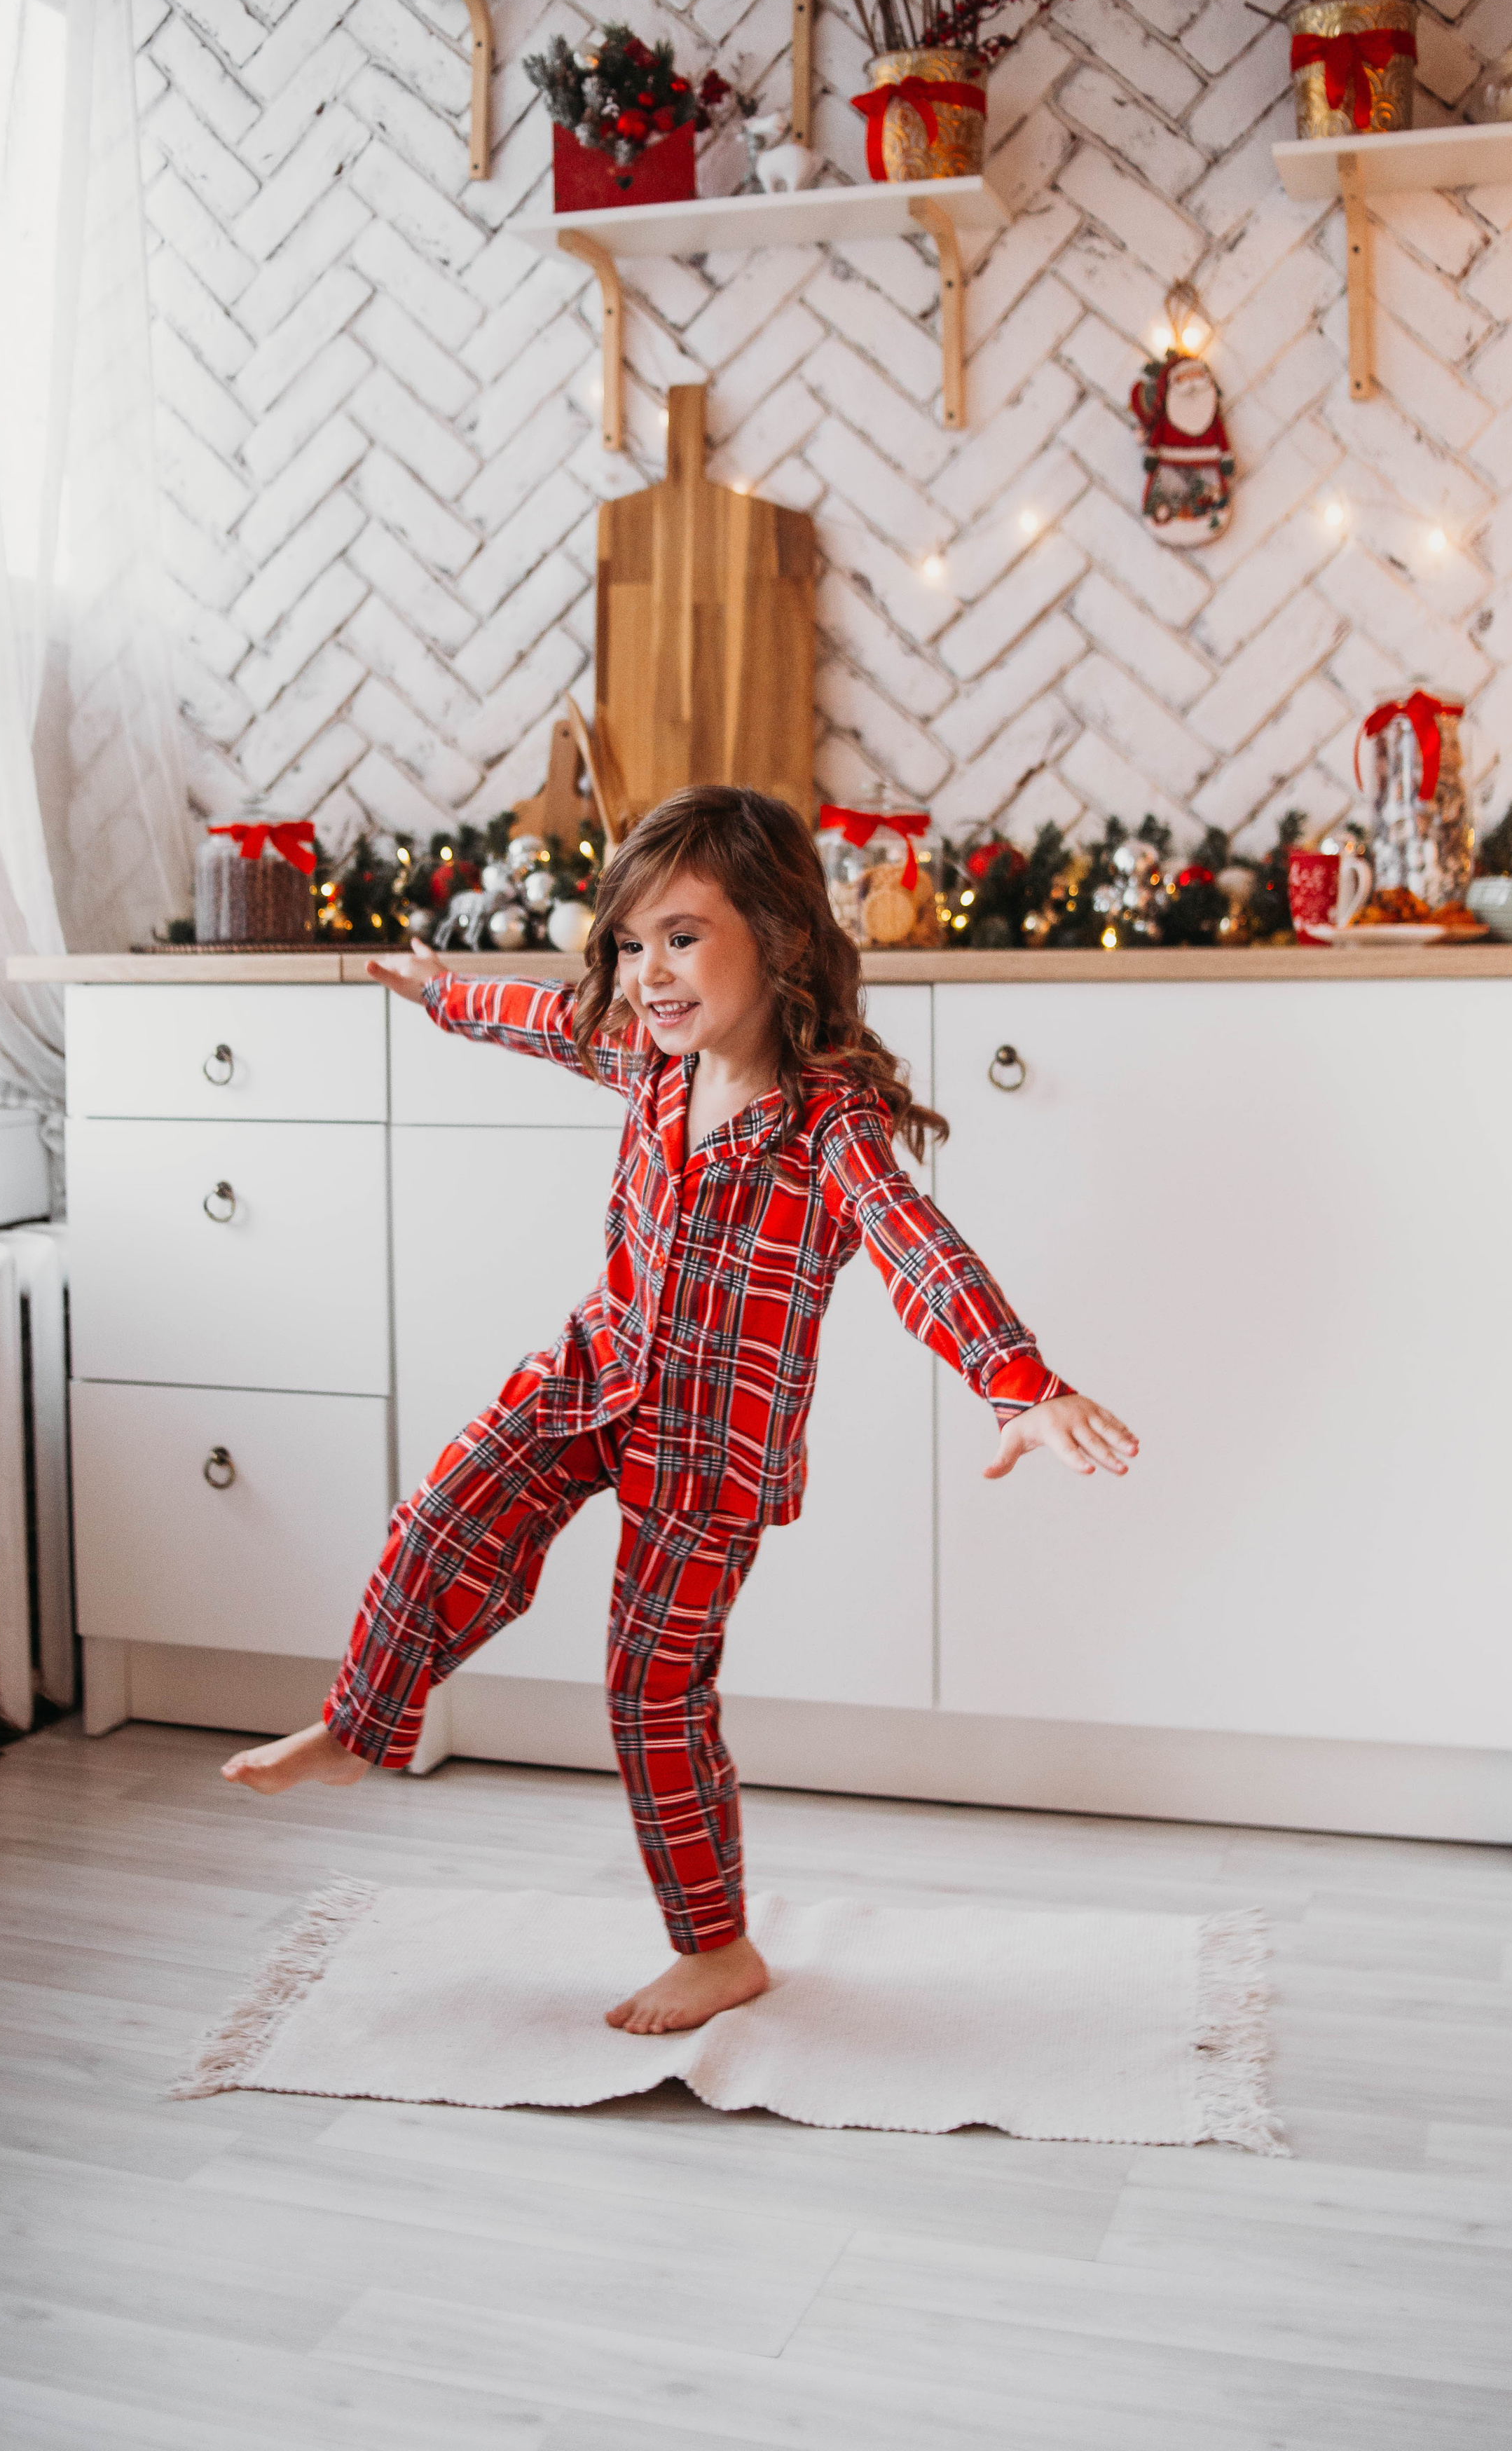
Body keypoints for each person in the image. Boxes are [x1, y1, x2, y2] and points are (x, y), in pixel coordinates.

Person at [224, 786, 1137, 2033]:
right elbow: (545, 1020)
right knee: (447, 1507)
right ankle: (362, 1717)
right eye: (630, 942)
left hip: (712, 1454)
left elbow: (916, 1244)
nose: (646, 973)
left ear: (781, 939)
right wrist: (443, 995)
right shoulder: (651, 1060)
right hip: (596, 1375)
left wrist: (1018, 1382)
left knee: (651, 1692)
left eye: (683, 938)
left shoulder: (830, 1123)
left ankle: (716, 1950)